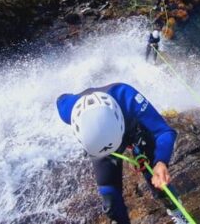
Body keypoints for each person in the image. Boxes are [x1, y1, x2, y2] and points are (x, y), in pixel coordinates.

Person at [56, 83, 188, 224]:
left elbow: (163, 131)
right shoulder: (68, 110)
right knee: (110, 199)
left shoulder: (127, 97)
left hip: (134, 130)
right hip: (100, 145)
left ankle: (178, 213)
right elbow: (60, 99)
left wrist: (160, 162)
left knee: (157, 179)